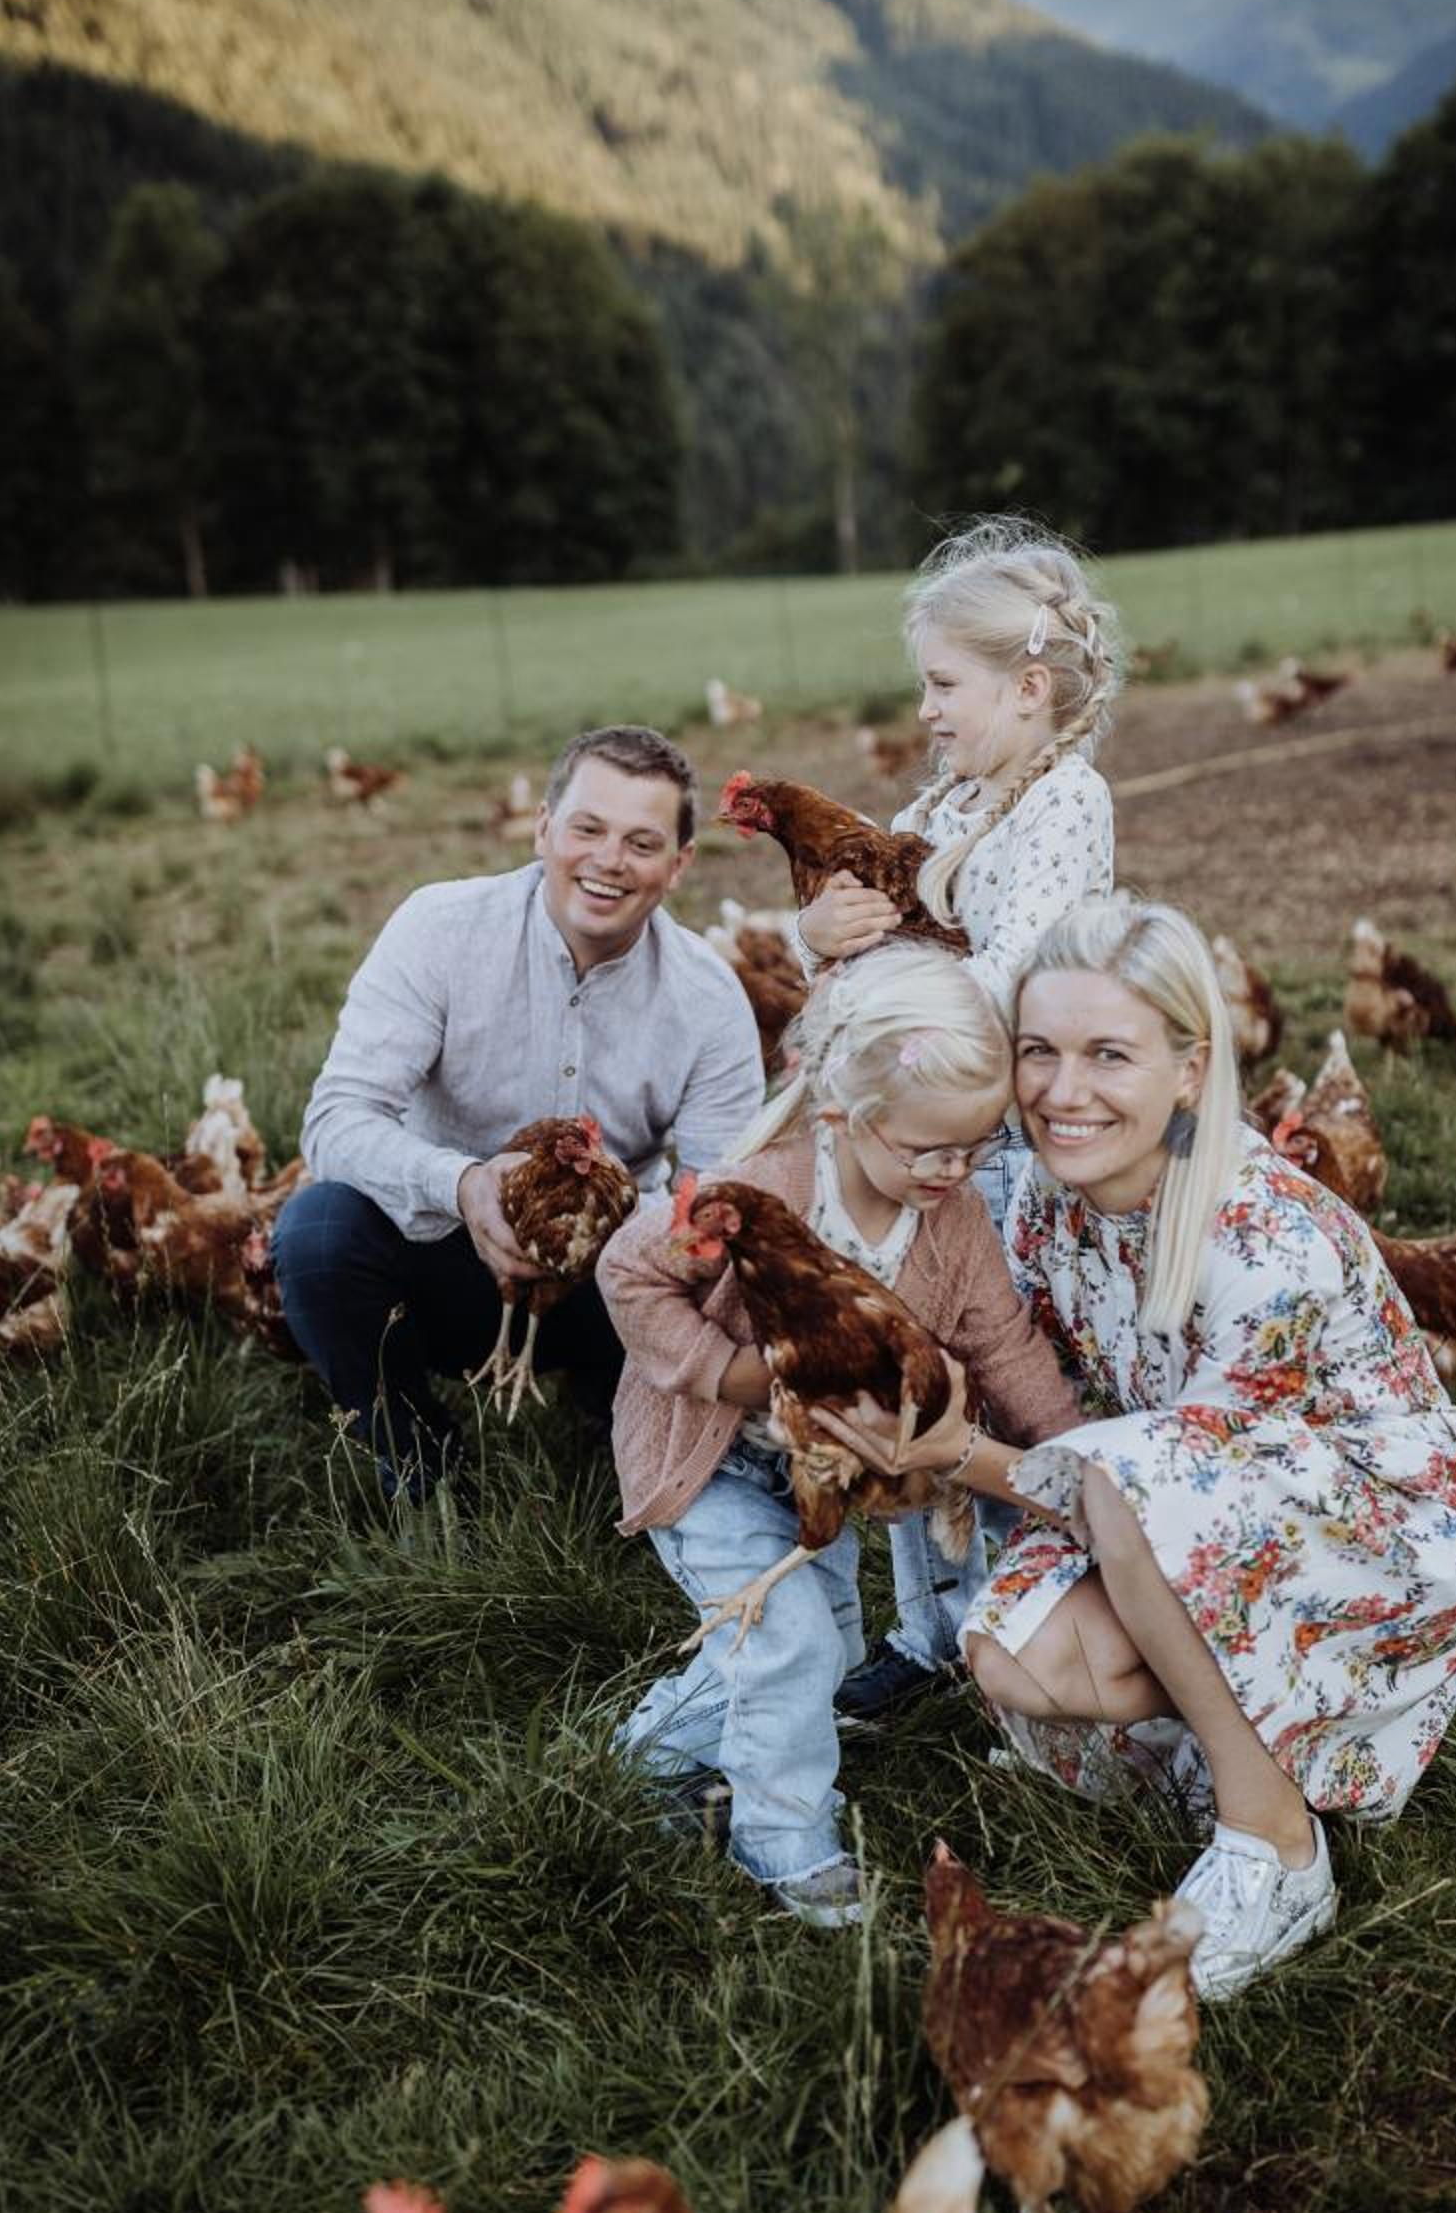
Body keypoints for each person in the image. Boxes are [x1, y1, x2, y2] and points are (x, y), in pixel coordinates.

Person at [825, 895, 1456, 2000]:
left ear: (1188, 1067)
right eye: (1039, 1051)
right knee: (1014, 1662)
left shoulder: (1260, 1235)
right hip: (1186, 1507)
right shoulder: (1054, 1207)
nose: (1061, 1091)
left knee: (1130, 1483)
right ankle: (1241, 1741)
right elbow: (1050, 1405)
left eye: (1107, 1055)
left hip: (1396, 1529)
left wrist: (954, 1453)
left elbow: (1161, 1475)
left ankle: (1278, 1848)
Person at [596, 944, 1078, 1929]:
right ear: (843, 1117)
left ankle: (647, 1754)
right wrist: (729, 1370)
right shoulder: (766, 1186)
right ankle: (786, 1840)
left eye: (976, 1147)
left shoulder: (950, 1224)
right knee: (792, 1642)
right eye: (928, 1149)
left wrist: (1070, 1450)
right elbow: (627, 1271)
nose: (954, 1171)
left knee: (818, 1644)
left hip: (814, 1476)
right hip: (714, 1461)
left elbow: (1001, 1342)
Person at [797, 519, 1122, 1728]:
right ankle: (925, 1627)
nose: (924, 709)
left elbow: (1002, 979)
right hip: (924, 1122)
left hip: (1003, 1143)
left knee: (996, 1371)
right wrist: (819, 941)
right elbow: (879, 939)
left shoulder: (1064, 802)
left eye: (943, 686)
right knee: (909, 1356)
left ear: (1028, 689)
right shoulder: (940, 801)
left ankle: (1010, 1611)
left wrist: (874, 1019)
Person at [274, 724, 763, 1497]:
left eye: (642, 843)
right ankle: (420, 1463)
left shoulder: (708, 1001)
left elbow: (720, 1200)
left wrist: (631, 1238)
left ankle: (621, 1405)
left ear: (679, 864)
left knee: (724, 1273)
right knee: (318, 1232)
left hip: (610, 1282)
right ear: (543, 830)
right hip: (442, 1252)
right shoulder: (440, 930)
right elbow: (337, 1119)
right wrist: (463, 1184)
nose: (609, 860)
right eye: (587, 829)